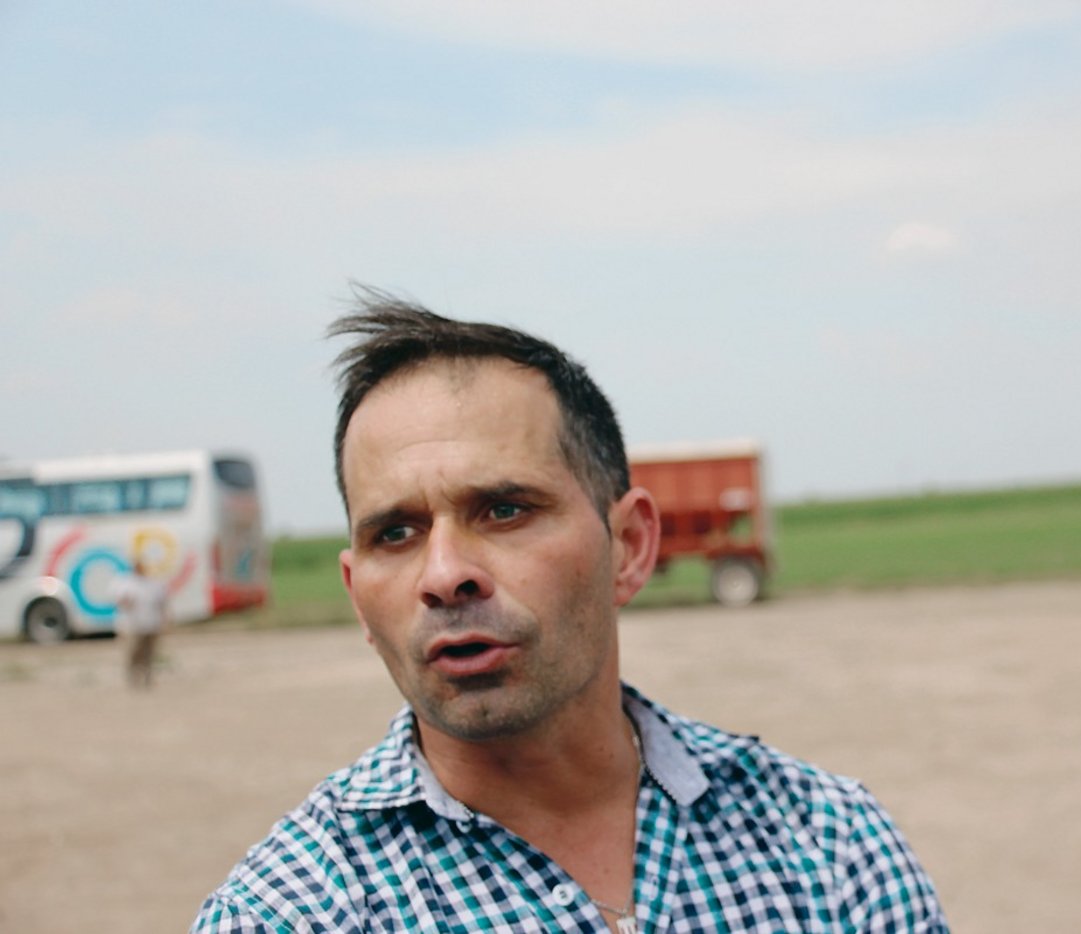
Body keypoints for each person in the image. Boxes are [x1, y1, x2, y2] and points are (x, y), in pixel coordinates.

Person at [192, 289, 950, 933]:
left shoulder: (830, 850)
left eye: (504, 510)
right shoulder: (289, 914)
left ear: (630, 546)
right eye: (395, 533)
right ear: (357, 593)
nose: (445, 575)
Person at [111, 556, 168, 688]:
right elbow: (119, 601)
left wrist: (164, 621)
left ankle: (148, 677)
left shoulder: (153, 584)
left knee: (150, 653)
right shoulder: (126, 584)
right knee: (133, 652)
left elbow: (162, 603)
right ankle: (133, 677)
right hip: (133, 625)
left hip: (151, 624)